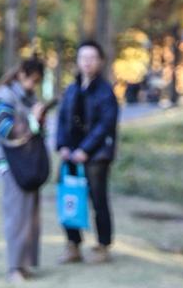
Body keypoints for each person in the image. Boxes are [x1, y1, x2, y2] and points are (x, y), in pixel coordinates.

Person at [56, 39, 119, 264]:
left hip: (97, 156)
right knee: (69, 197)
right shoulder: (72, 89)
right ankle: (72, 244)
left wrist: (86, 149)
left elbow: (106, 124)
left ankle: (103, 245)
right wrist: (62, 146)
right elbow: (62, 119)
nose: (87, 63)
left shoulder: (106, 92)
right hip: (70, 155)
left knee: (98, 200)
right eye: (84, 58)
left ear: (100, 61)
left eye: (92, 58)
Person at [0, 56, 48, 285]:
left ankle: (25, 265)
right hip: (12, 163)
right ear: (21, 73)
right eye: (32, 79)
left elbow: (36, 128)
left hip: (29, 162)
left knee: (31, 215)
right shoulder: (1, 97)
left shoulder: (29, 96)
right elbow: (7, 130)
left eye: (37, 81)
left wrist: (39, 118)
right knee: (16, 216)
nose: (34, 85)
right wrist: (33, 119)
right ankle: (14, 268)